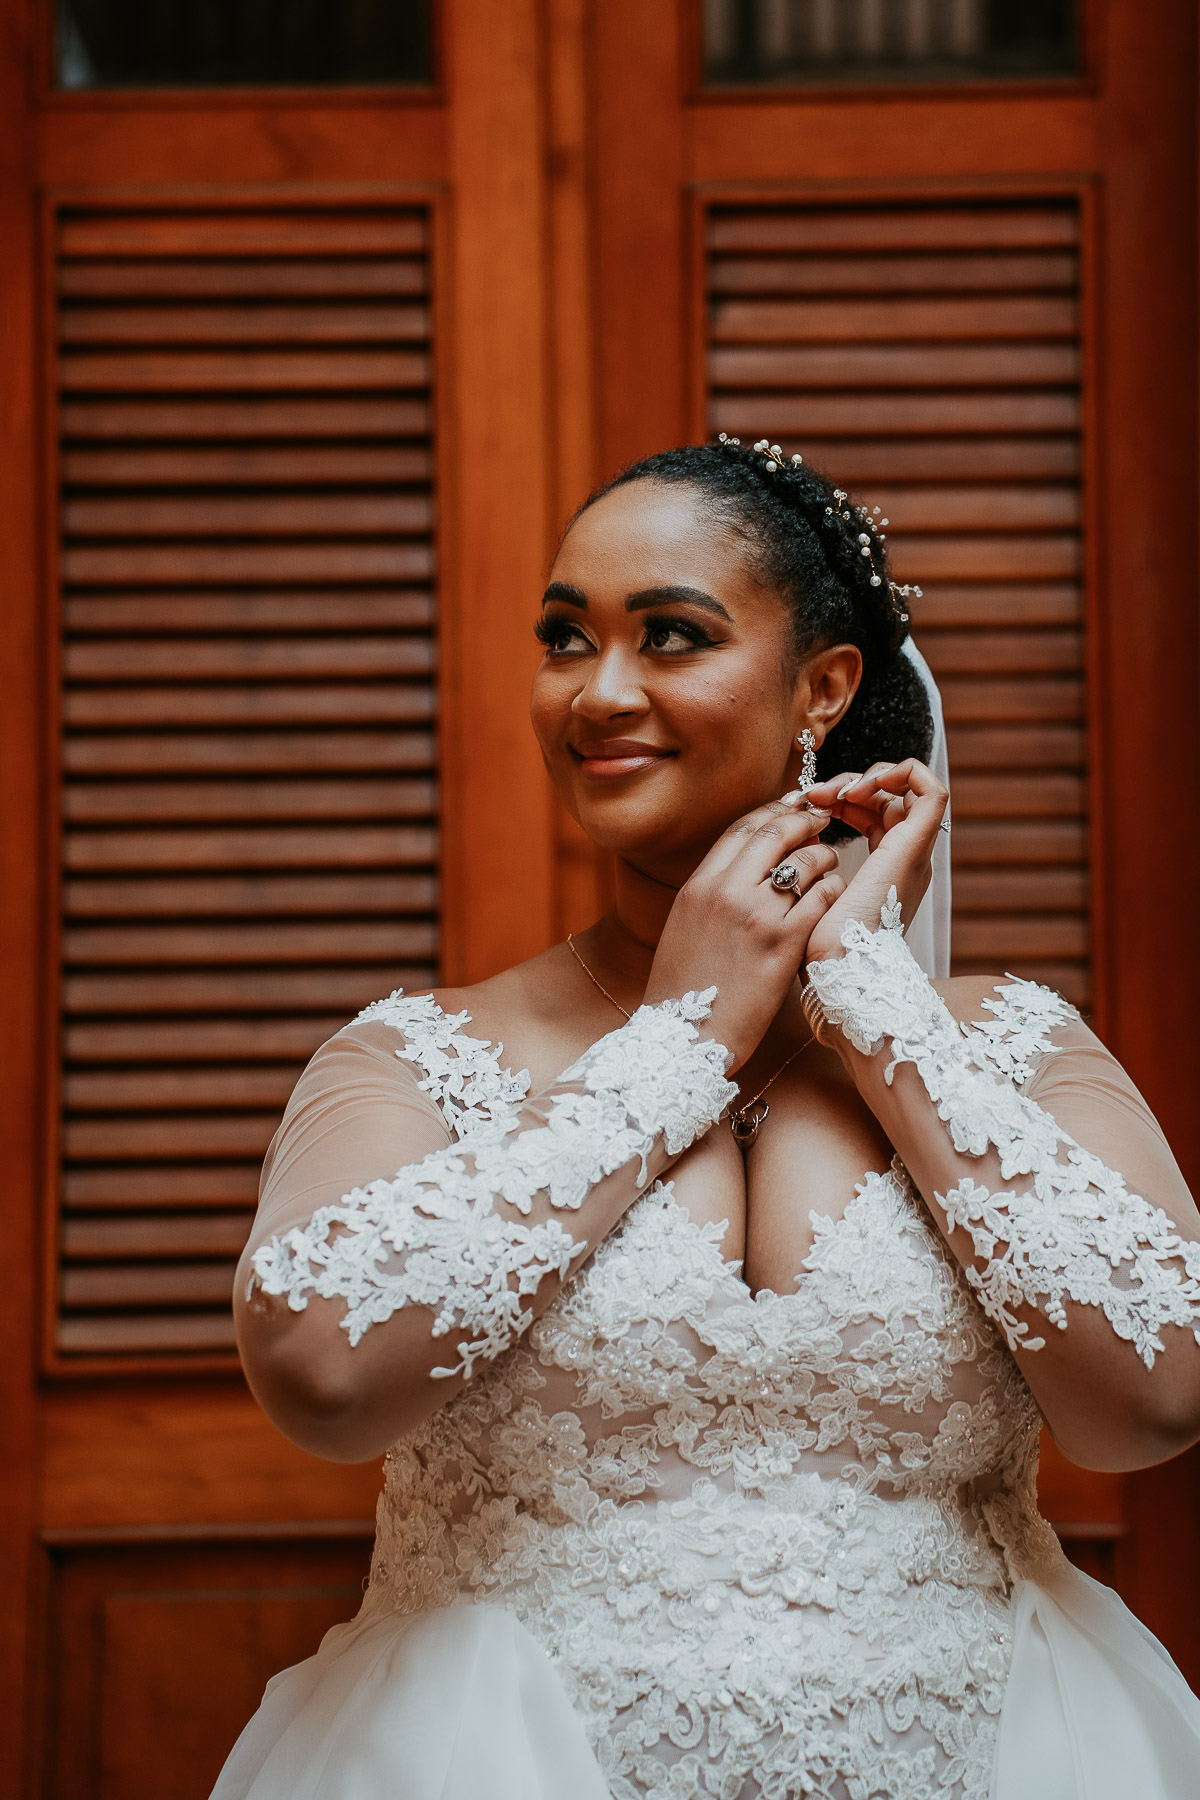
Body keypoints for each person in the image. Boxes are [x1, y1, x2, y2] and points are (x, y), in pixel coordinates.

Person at [212, 439, 1200, 1800]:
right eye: (567, 639)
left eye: (669, 636)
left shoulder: (1011, 1049)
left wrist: (873, 1003)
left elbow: (1155, 1398)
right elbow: (322, 1378)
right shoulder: (413, 1059)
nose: (599, 693)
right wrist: (678, 1044)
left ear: (824, 688)